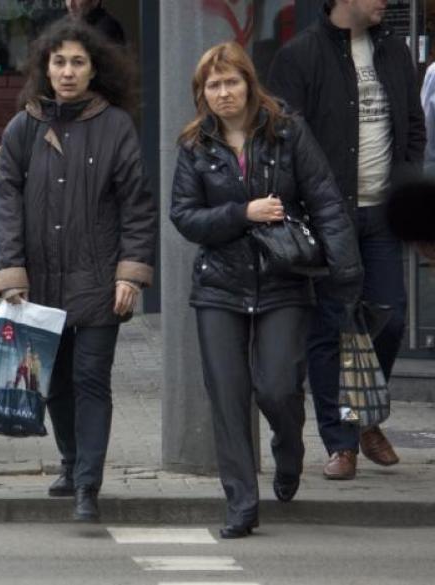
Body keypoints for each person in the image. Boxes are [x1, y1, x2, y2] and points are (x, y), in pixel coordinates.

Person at [171, 42, 362, 539]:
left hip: (283, 280)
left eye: (232, 81)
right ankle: (241, 503)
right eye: (213, 85)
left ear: (250, 84)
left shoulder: (287, 132)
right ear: (202, 94)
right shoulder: (194, 146)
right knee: (228, 397)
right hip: (219, 286)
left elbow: (324, 199)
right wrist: (242, 213)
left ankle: (289, 445)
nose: (224, 92)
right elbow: (185, 217)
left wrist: (345, 272)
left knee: (277, 387)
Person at [0, 18, 157, 522]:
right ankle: (70, 461)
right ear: (45, 67)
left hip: (99, 282)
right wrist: (10, 272)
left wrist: (130, 274)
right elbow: (4, 203)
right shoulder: (24, 126)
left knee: (90, 380)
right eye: (58, 61)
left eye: (77, 62)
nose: (67, 71)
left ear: (93, 70)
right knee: (55, 384)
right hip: (39, 283)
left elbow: (137, 205)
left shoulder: (116, 126)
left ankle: (88, 484)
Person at [267, 0, 426, 480]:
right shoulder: (299, 57)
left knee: (392, 317)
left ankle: (365, 416)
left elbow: (414, 128)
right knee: (330, 327)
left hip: (381, 212)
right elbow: (282, 142)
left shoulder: (395, 51)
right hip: (329, 215)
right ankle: (341, 442)